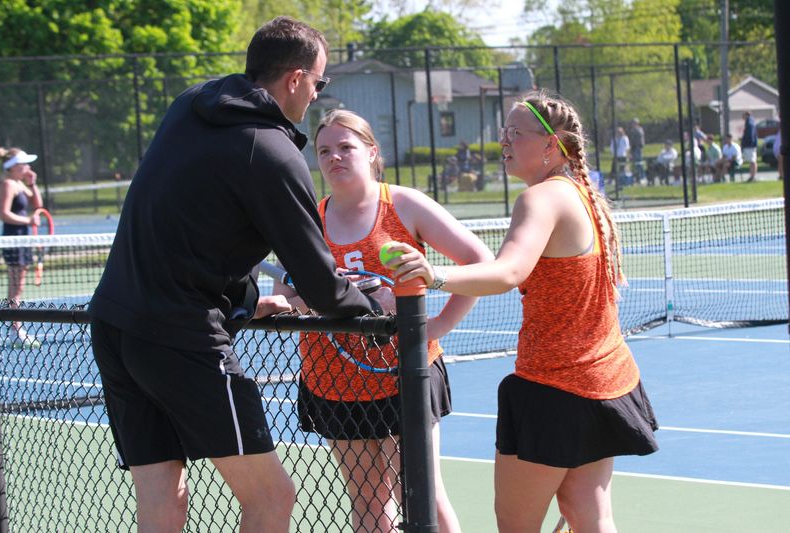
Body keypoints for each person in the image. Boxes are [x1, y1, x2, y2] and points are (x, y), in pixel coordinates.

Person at [88, 17, 393, 533]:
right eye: (318, 83)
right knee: (273, 497)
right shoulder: (271, 151)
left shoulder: (190, 104)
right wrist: (375, 316)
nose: (317, 95)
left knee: (163, 494)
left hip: (115, 325)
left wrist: (245, 303)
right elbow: (319, 284)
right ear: (295, 78)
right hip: (181, 336)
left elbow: (196, 222)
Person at [385, 91, 659, 533]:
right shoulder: (582, 194)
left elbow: (509, 271)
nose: (504, 142)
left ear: (551, 145)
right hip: (606, 381)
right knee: (590, 515)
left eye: (516, 133)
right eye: (503, 132)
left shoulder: (540, 200)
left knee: (516, 525)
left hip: (554, 389)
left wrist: (431, 274)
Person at [273, 109, 493, 533]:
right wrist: (294, 302)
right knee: (369, 502)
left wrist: (441, 325)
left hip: (402, 378)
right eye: (324, 151)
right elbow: (288, 292)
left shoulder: (402, 205)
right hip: (332, 382)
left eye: (345, 147)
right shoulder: (309, 218)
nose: (334, 157)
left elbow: (479, 261)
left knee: (423, 495)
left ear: (372, 152)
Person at [0, 146, 43, 348]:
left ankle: (15, 326)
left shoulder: (19, 184)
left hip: (22, 238)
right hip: (13, 238)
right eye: (24, 163)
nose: (28, 166)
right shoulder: (8, 184)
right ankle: (16, 328)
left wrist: (32, 184)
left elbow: (38, 205)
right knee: (16, 285)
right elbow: (3, 214)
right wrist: (28, 221)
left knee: (19, 285)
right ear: (14, 166)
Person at [740, 111, 758, 182]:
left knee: (752, 161)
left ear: (747, 115)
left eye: (743, 115)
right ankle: (752, 176)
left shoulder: (750, 122)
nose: (742, 117)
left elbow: (750, 134)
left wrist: (746, 143)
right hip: (751, 144)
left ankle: (752, 176)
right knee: (752, 161)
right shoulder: (750, 121)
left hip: (750, 145)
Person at [629, 118, 645, 183]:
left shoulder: (639, 130)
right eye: (632, 123)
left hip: (637, 148)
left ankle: (642, 177)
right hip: (633, 148)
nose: (632, 124)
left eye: (634, 123)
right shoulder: (633, 130)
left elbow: (639, 141)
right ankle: (636, 177)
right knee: (634, 164)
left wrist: (636, 146)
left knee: (639, 163)